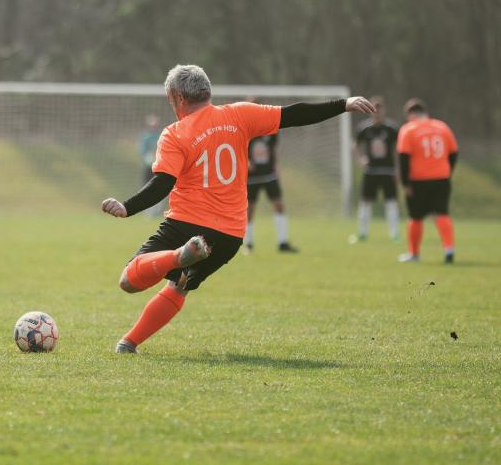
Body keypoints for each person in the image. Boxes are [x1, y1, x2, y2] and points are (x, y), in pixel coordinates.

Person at [101, 65, 375, 354]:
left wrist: (127, 207)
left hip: (186, 223)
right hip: (229, 235)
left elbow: (162, 184)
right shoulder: (239, 114)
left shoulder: (175, 133)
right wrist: (343, 104)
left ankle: (177, 255)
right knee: (179, 285)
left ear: (179, 98)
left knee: (129, 280)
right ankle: (129, 343)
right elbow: (294, 115)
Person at [396, 98, 458, 263]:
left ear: (411, 114)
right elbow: (453, 153)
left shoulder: (408, 130)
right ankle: (449, 249)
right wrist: (447, 171)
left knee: (415, 217)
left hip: (418, 180)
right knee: (442, 213)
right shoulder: (442, 127)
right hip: (441, 178)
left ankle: (414, 254)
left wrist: (405, 184)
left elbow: (403, 158)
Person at [243, 98, 298, 253]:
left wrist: (276, 165)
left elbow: (273, 150)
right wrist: (246, 161)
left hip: (269, 174)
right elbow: (238, 147)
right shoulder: (245, 128)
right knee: (250, 210)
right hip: (252, 176)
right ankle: (248, 243)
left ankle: (283, 242)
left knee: (279, 205)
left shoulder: (271, 127)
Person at [352, 96, 400, 242]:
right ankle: (362, 233)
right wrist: (360, 160)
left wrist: (398, 168)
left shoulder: (391, 129)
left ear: (384, 111)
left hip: (388, 171)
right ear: (370, 111)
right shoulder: (364, 128)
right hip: (371, 171)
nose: (377, 113)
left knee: (391, 202)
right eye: (374, 110)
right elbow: (355, 146)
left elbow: (398, 150)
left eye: (380, 110)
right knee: (365, 202)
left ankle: (394, 234)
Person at [139, 115, 163, 217]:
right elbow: (143, 151)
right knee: (146, 188)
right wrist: (148, 157)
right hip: (148, 167)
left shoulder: (160, 136)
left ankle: (157, 210)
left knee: (159, 188)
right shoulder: (146, 137)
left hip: (158, 167)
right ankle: (147, 211)